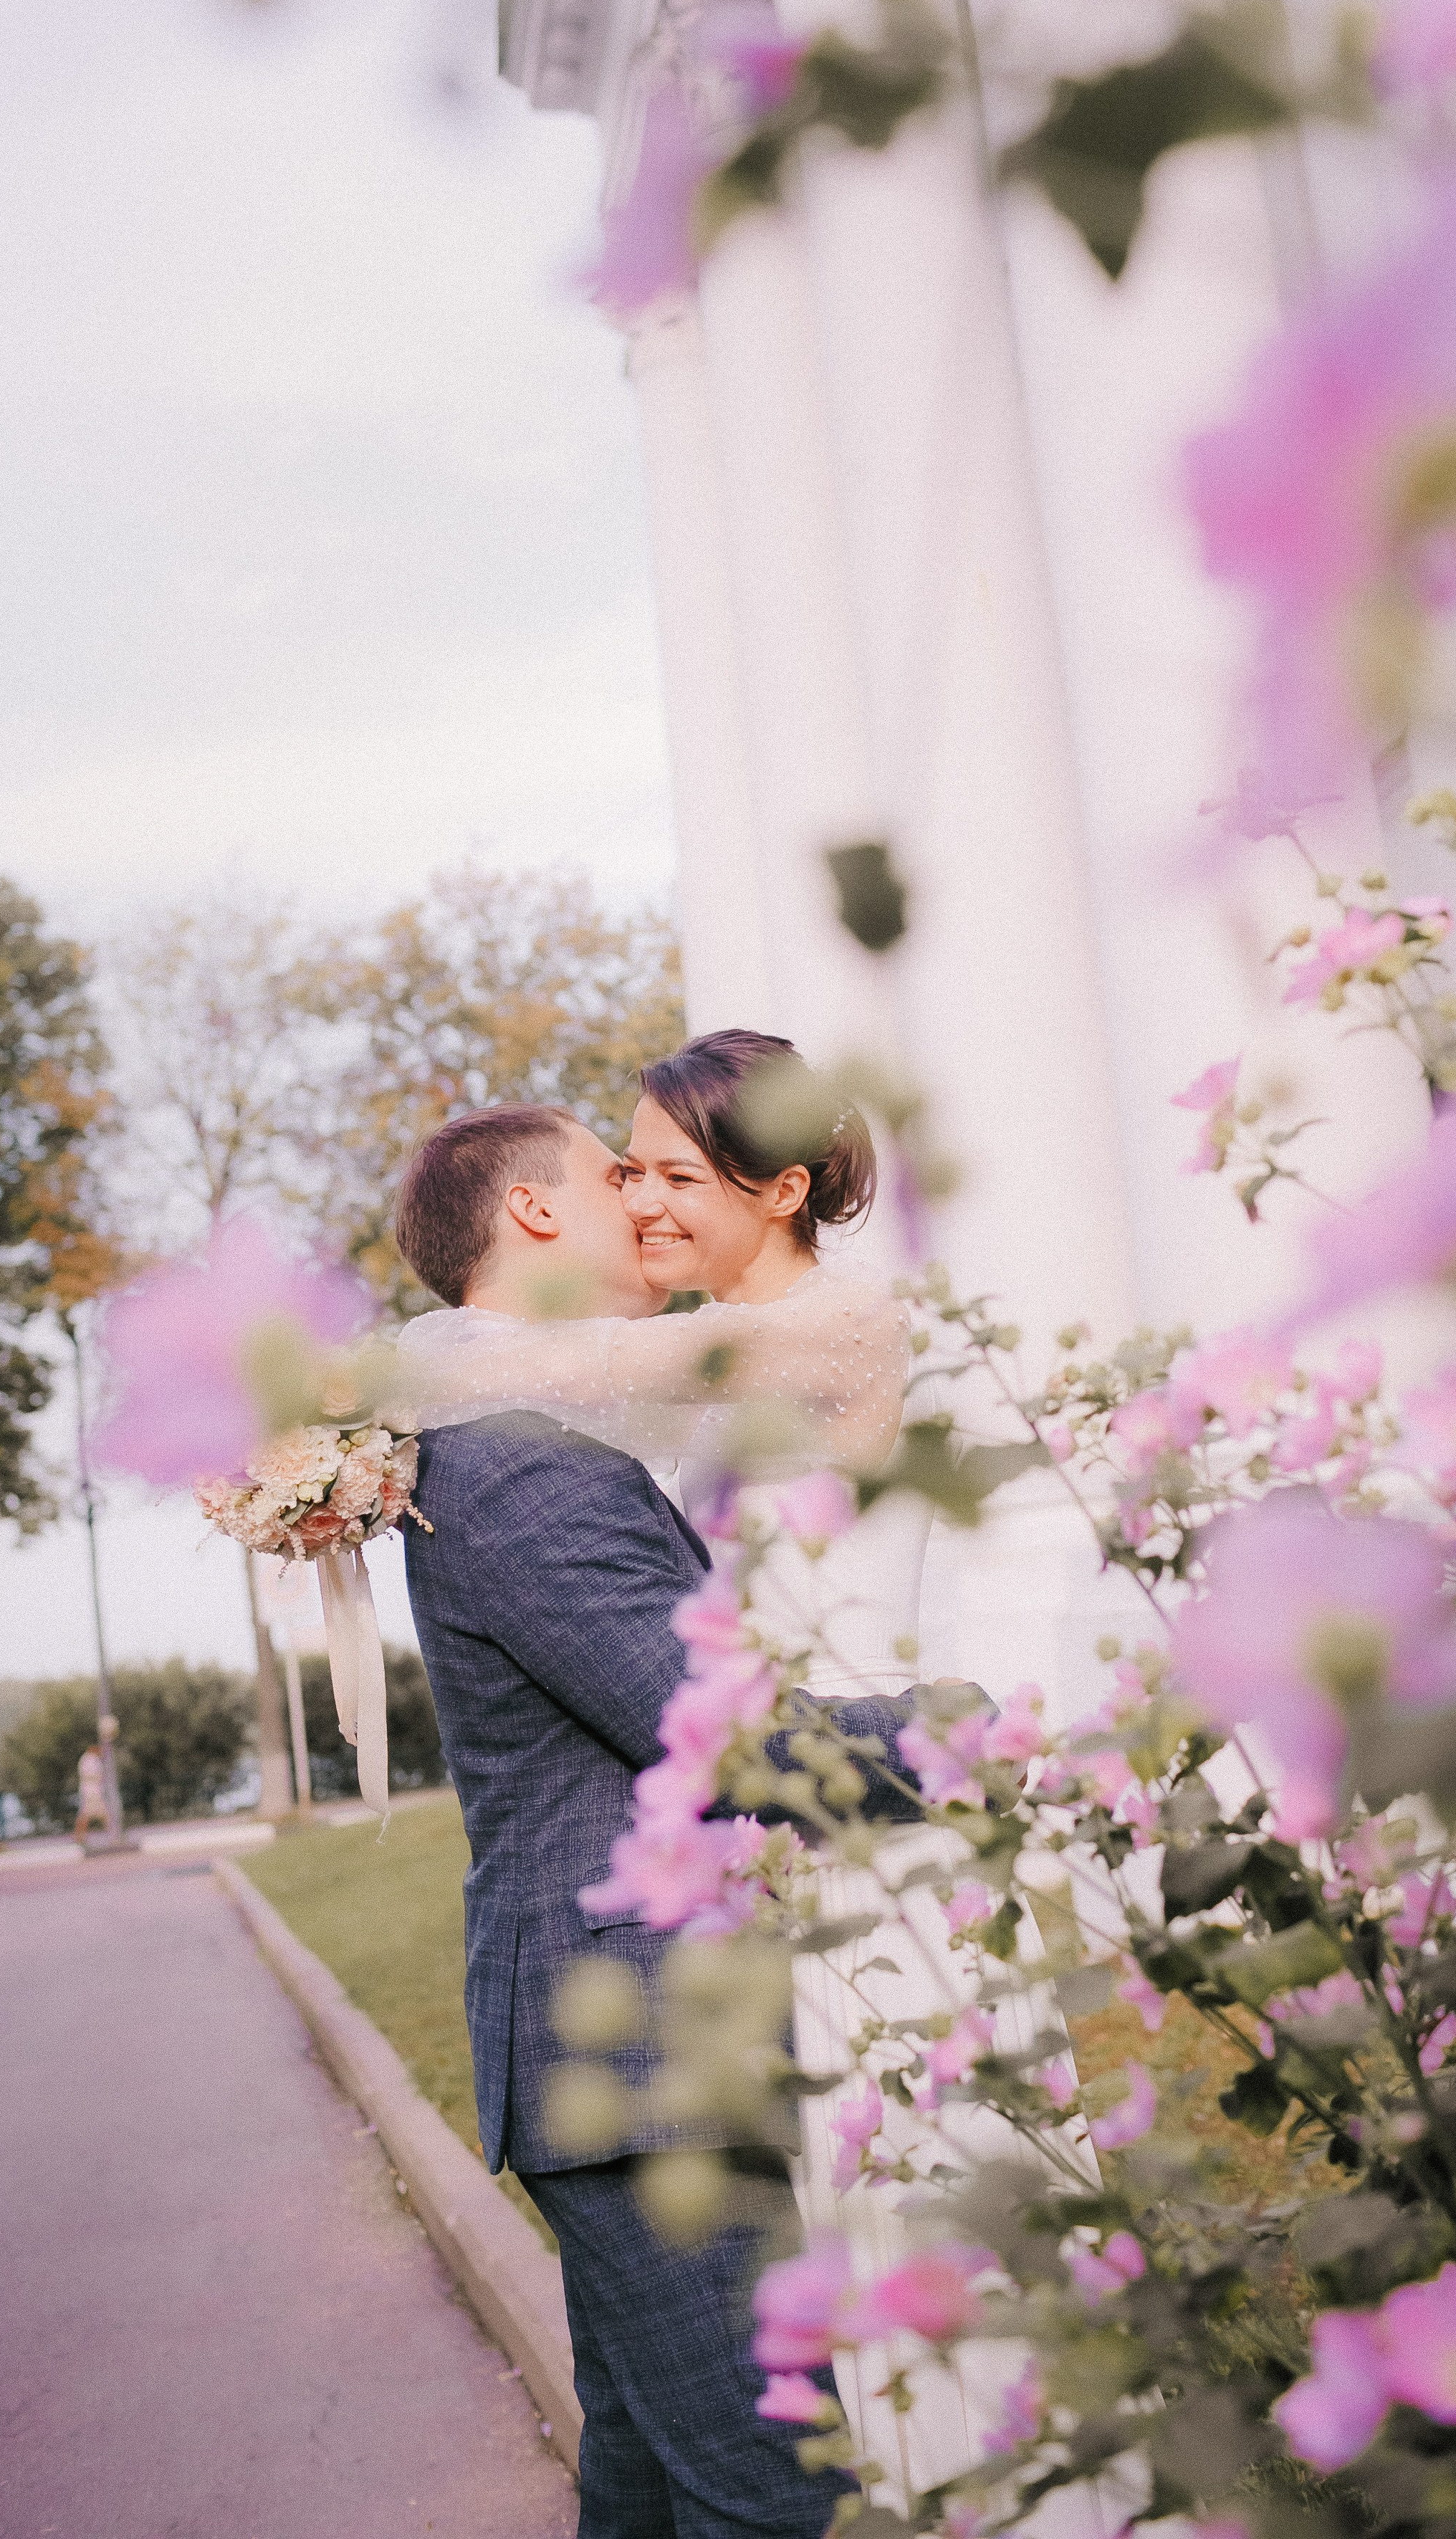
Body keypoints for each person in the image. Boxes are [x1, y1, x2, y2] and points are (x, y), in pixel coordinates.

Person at [396, 1036, 1104, 2525]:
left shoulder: (588, 1408)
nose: (645, 1204)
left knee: (655, 2482)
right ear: (532, 1216)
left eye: (670, 1172)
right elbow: (704, 1731)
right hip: (639, 2058)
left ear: (776, 1187)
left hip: (681, 2025)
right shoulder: (519, 1453)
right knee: (769, 2496)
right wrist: (952, 1730)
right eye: (619, 1174)